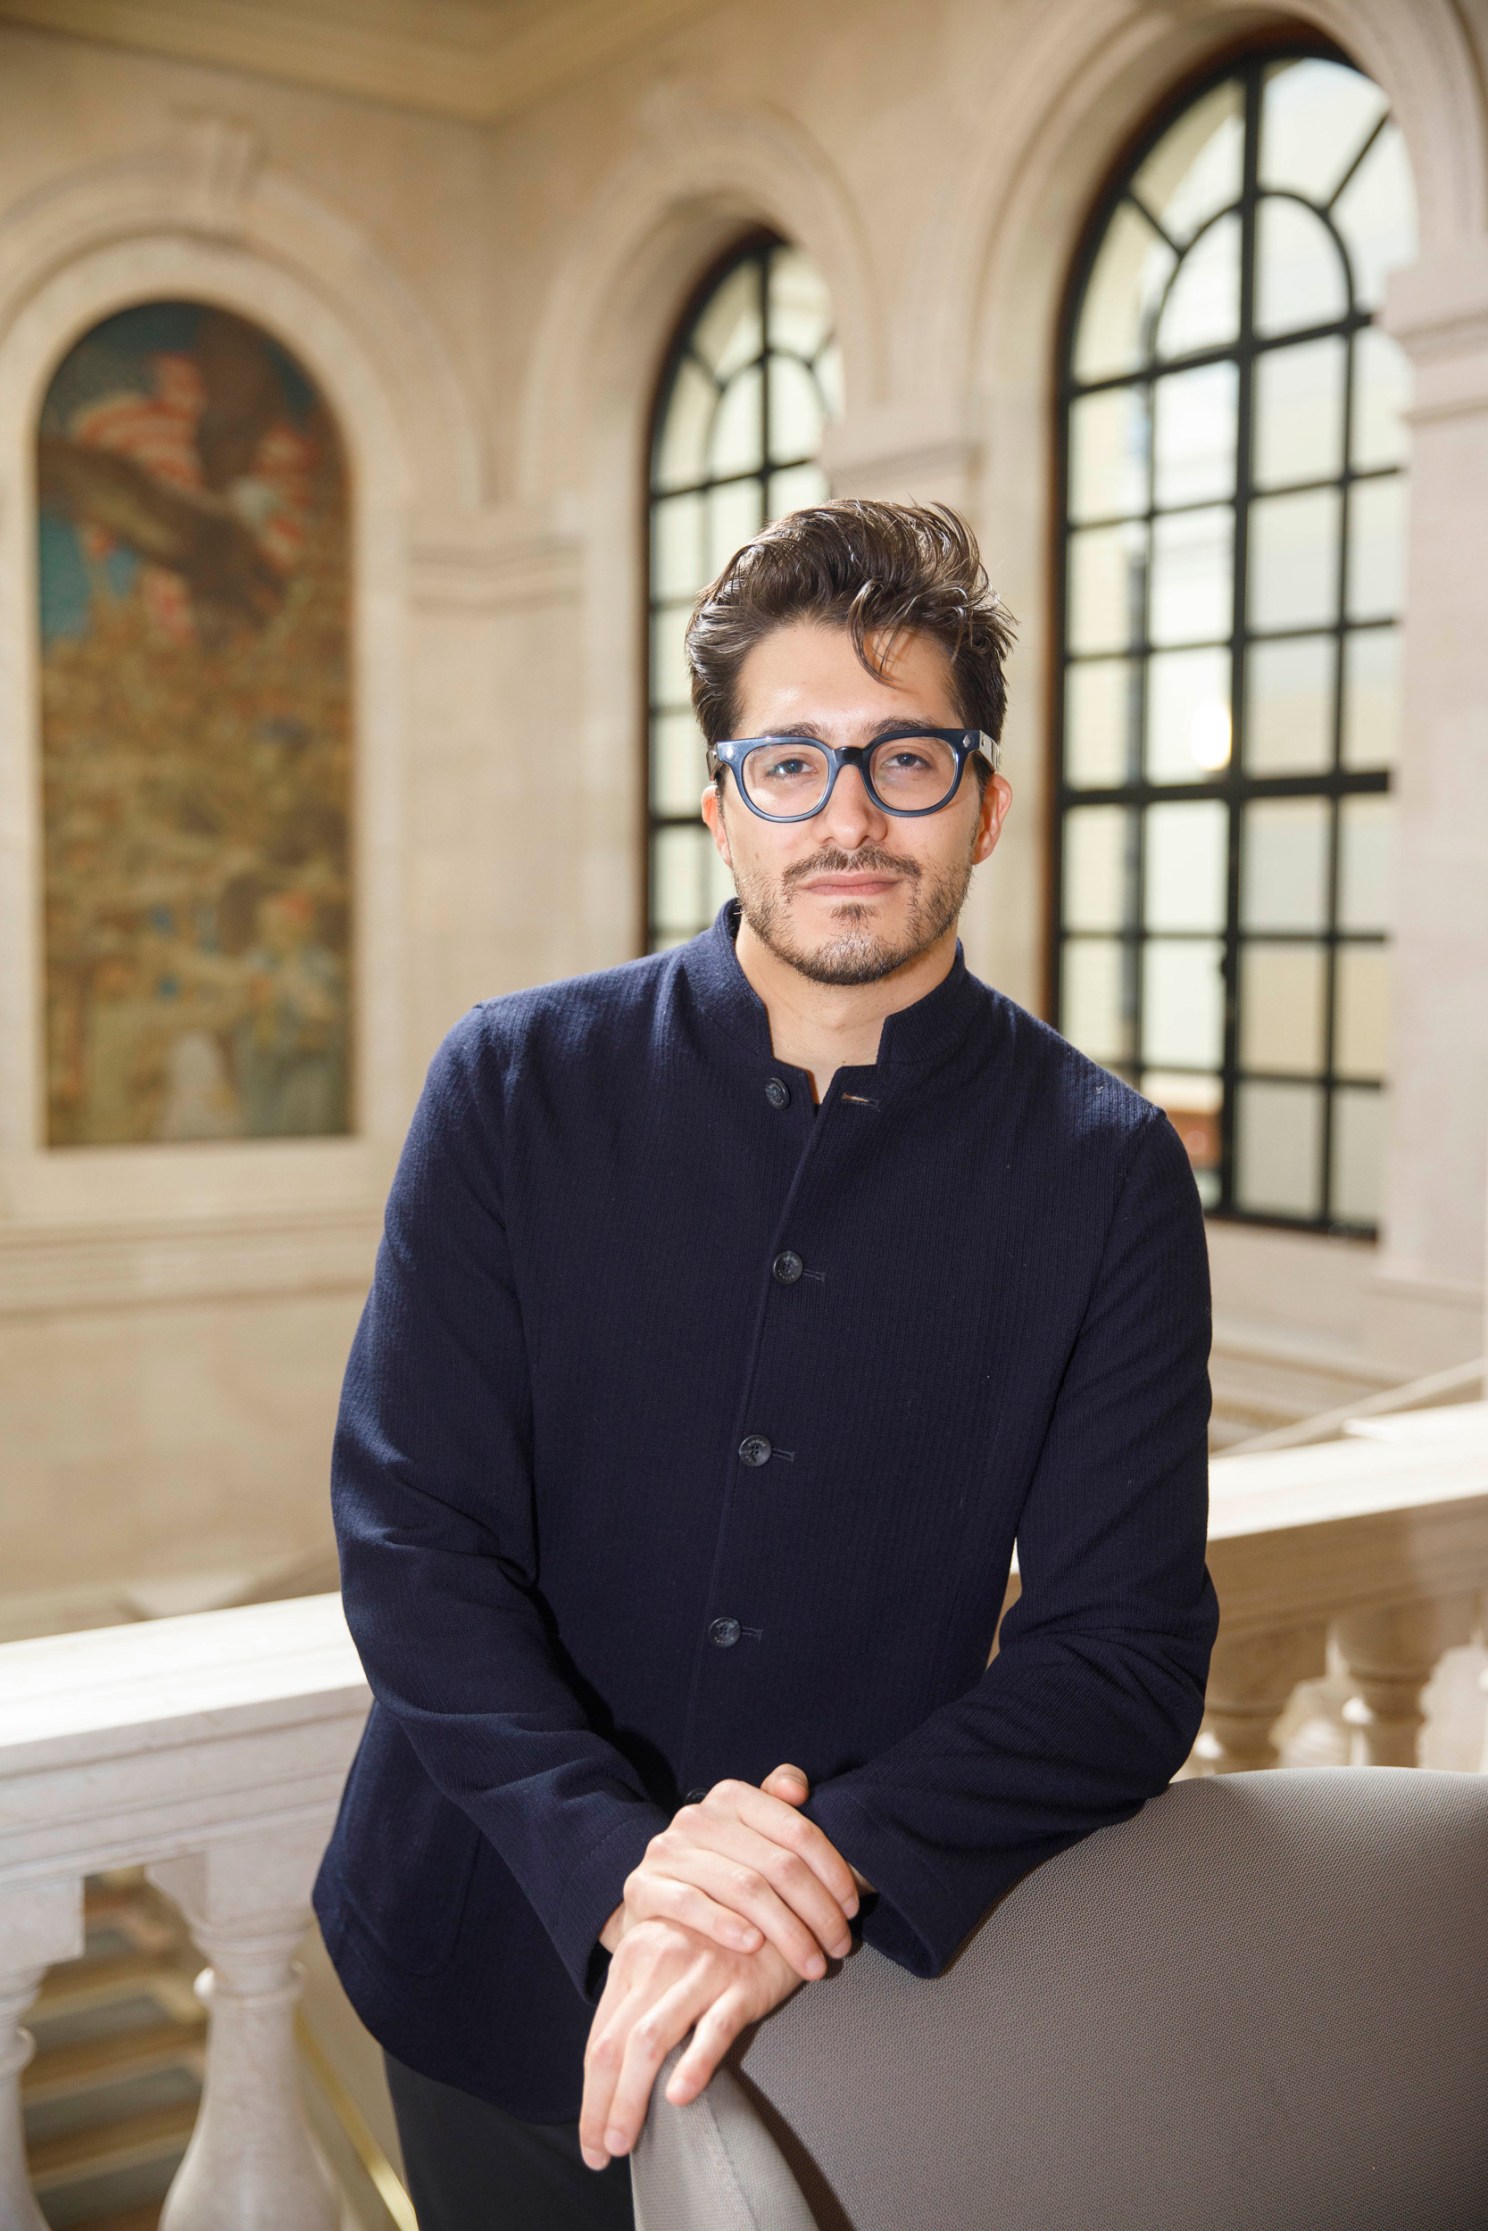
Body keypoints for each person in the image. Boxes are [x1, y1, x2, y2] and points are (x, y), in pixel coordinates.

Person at [314, 499, 1218, 2229]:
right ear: (723, 805)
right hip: (473, 1952)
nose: (851, 818)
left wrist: (823, 1864)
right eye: (790, 764)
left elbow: (1128, 1652)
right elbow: (416, 1543)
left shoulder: (1105, 1172)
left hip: (828, 1998)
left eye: (908, 760)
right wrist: (630, 1867)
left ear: (990, 804)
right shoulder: (510, 1086)